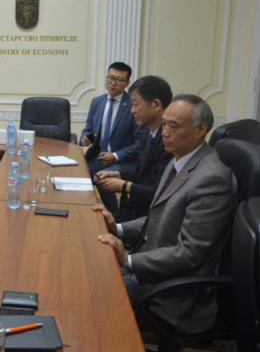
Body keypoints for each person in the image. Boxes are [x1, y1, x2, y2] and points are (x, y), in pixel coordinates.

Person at [96, 94, 234, 334]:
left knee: (95, 291)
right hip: (152, 264)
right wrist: (116, 228)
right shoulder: (178, 160)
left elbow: (190, 254)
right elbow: (158, 218)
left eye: (174, 126)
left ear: (201, 129)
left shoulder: (212, 179)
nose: (164, 133)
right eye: (164, 124)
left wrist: (128, 260)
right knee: (92, 266)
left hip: (175, 292)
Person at [94, 76, 173, 223]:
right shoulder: (146, 133)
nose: (132, 111)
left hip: (149, 217)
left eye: (136, 104)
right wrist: (117, 174)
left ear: (156, 104)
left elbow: (160, 191)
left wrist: (124, 186)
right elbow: (139, 171)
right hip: (132, 208)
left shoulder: (169, 141)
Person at [80, 62, 142, 212]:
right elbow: (88, 129)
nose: (113, 83)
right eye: (111, 78)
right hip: (96, 157)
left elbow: (139, 143)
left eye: (119, 80)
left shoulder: (133, 105)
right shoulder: (97, 102)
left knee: (102, 178)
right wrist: (84, 138)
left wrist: (115, 156)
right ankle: (83, 210)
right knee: (78, 174)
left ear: (127, 83)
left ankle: (113, 215)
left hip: (122, 160)